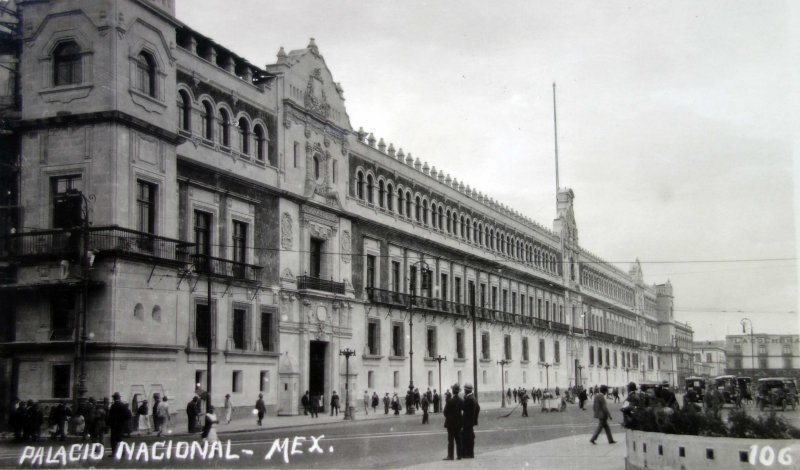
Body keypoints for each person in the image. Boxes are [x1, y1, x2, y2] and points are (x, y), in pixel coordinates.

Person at [443, 383, 464, 460]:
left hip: (450, 423)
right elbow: (464, 411)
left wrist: (449, 417)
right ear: (458, 391)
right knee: (458, 439)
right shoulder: (461, 401)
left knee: (450, 440)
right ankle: (459, 455)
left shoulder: (449, 401)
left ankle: (450, 455)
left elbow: (445, 412)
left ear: (452, 391)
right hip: (458, 423)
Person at [461, 383, 479, 459]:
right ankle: (469, 453)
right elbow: (478, 408)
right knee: (470, 436)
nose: (464, 391)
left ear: (466, 390)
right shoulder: (473, 398)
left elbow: (463, 407)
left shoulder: (468, 399)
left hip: (467, 422)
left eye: (465, 390)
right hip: (470, 422)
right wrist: (474, 419)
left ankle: (468, 453)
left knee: (467, 437)